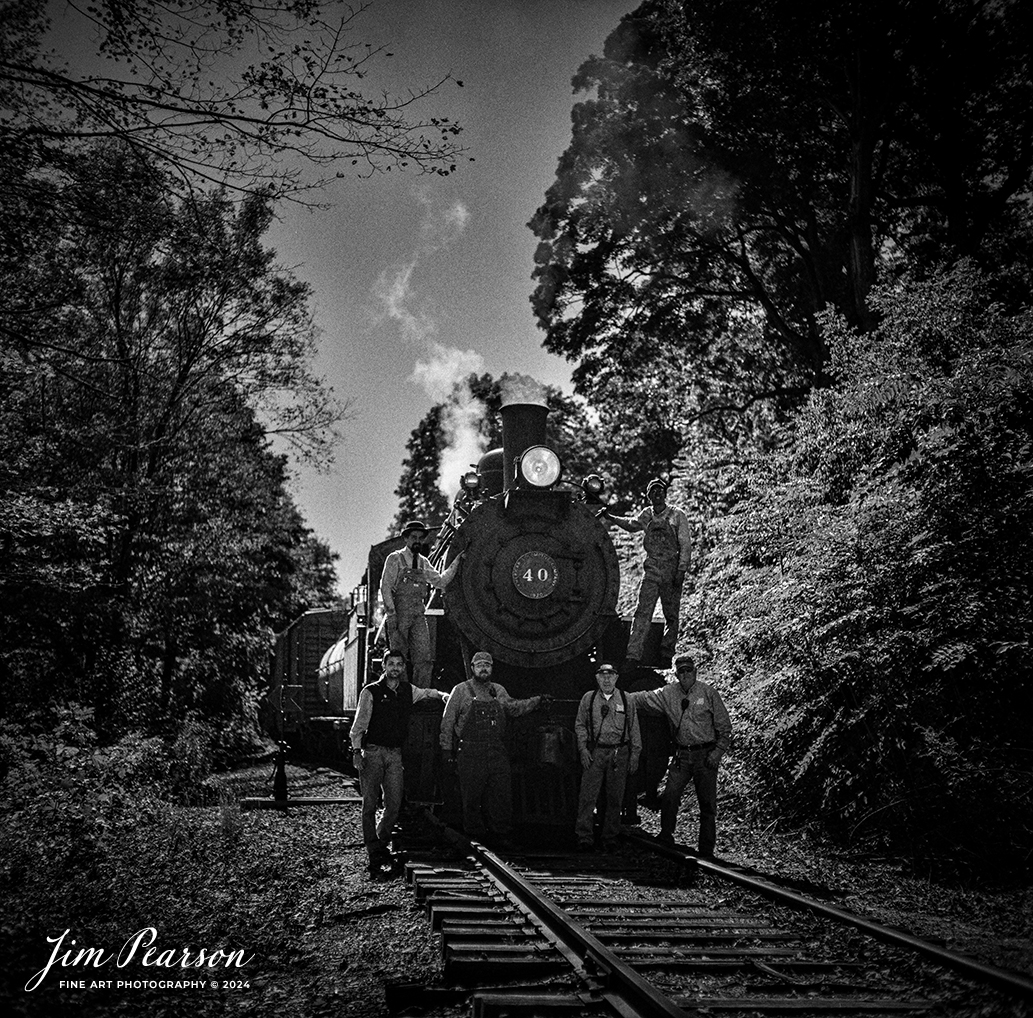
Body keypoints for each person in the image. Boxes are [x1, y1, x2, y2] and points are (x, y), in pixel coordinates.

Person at [439, 651, 549, 849]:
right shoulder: (460, 691)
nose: (483, 668)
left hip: (495, 749)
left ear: (491, 669)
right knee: (471, 795)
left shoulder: (498, 690)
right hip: (470, 750)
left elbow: (514, 708)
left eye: (487, 665)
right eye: (480, 665)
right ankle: (474, 835)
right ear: (472, 668)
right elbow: (447, 722)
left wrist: (536, 701)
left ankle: (501, 833)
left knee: (501, 792)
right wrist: (446, 750)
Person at [350, 650, 445, 875]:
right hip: (372, 752)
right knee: (370, 804)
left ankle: (381, 842)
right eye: (390, 664)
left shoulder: (407, 691)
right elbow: (359, 724)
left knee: (393, 803)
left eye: (399, 664)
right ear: (384, 666)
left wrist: (444, 695)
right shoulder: (370, 691)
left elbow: (428, 692)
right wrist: (356, 751)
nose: (395, 668)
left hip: (394, 754)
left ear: (403, 667)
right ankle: (373, 849)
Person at [628, 655, 731, 857]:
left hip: (705, 754)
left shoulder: (709, 693)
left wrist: (717, 753)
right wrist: (617, 696)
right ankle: (666, 835)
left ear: (695, 672)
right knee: (670, 796)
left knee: (707, 804)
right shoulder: (669, 694)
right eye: (681, 671)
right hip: (682, 755)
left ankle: (706, 849)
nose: (685, 675)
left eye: (688, 671)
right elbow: (644, 698)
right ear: (676, 674)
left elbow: (724, 727)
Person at [603, 478, 691, 668]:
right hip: (651, 568)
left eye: (660, 490)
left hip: (671, 569)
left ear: (665, 494)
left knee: (671, 615)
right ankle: (633, 655)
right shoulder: (647, 515)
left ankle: (666, 654)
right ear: (648, 496)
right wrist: (611, 518)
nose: (657, 494)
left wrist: (681, 570)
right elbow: (631, 524)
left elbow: (685, 544)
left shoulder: (677, 515)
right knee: (642, 612)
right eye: (653, 491)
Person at [380, 519, 461, 687]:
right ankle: (399, 694)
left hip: (418, 614)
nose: (417, 541)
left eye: (420, 538)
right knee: (398, 658)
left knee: (424, 658)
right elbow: (385, 587)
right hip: (399, 614)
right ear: (406, 539)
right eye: (413, 537)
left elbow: (440, 581)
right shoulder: (395, 559)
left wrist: (457, 562)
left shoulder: (423, 562)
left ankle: (419, 694)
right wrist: (392, 615)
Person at [574, 662, 641, 852]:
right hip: (595, 752)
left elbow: (634, 728)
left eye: (610, 675)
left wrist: (635, 753)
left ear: (616, 678)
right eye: (602, 675)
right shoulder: (589, 698)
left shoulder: (627, 700)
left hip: (619, 753)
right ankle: (584, 836)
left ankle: (610, 836)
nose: (606, 679)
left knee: (615, 797)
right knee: (588, 796)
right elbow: (580, 725)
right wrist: (583, 749)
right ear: (597, 678)